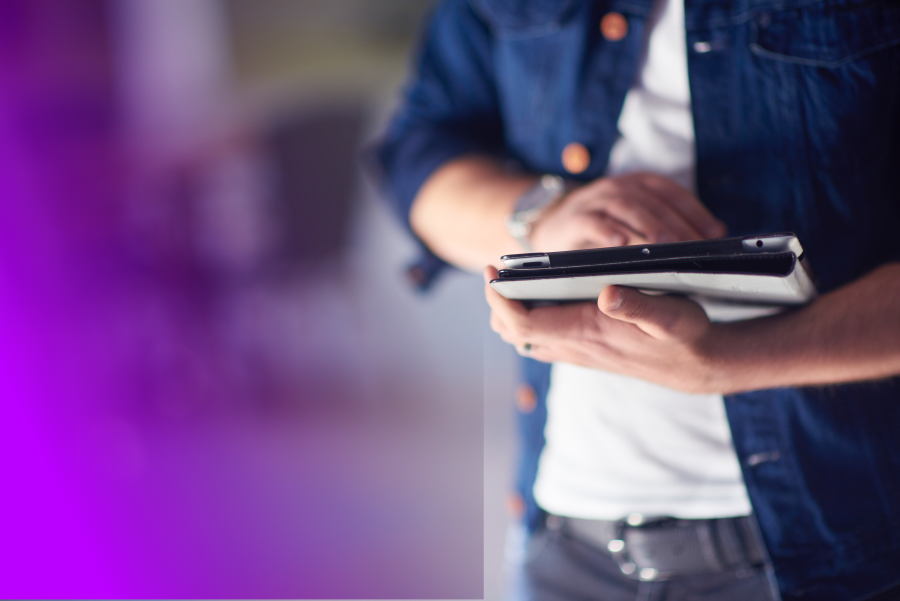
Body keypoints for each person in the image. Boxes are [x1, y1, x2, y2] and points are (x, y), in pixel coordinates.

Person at [375, 0, 900, 599]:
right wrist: (541, 216)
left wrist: (738, 358)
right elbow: (420, 152)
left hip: (839, 552)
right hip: (559, 544)